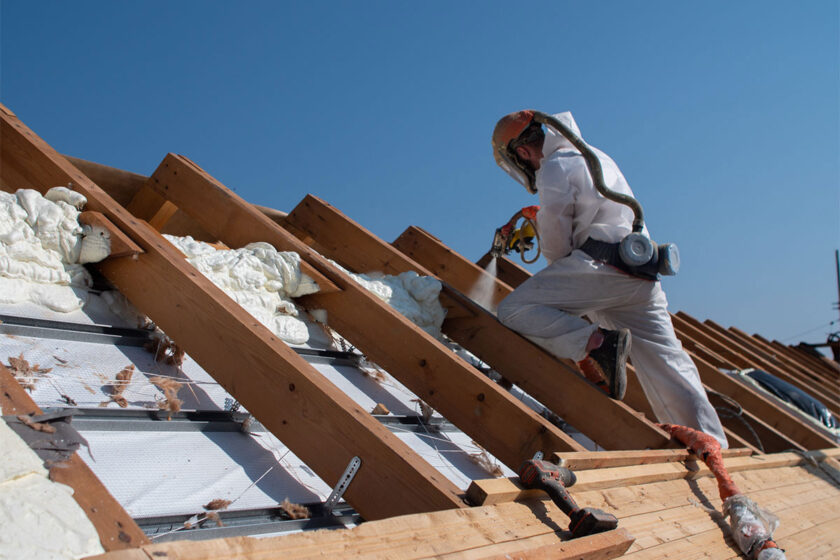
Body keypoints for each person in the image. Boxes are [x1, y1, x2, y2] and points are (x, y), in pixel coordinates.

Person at [491, 110, 728, 448]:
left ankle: (599, 345)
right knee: (667, 362)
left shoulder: (554, 167)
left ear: (522, 152)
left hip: (601, 268)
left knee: (514, 309)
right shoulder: (594, 155)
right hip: (640, 271)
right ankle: (711, 443)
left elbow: (558, 249)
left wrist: (545, 242)